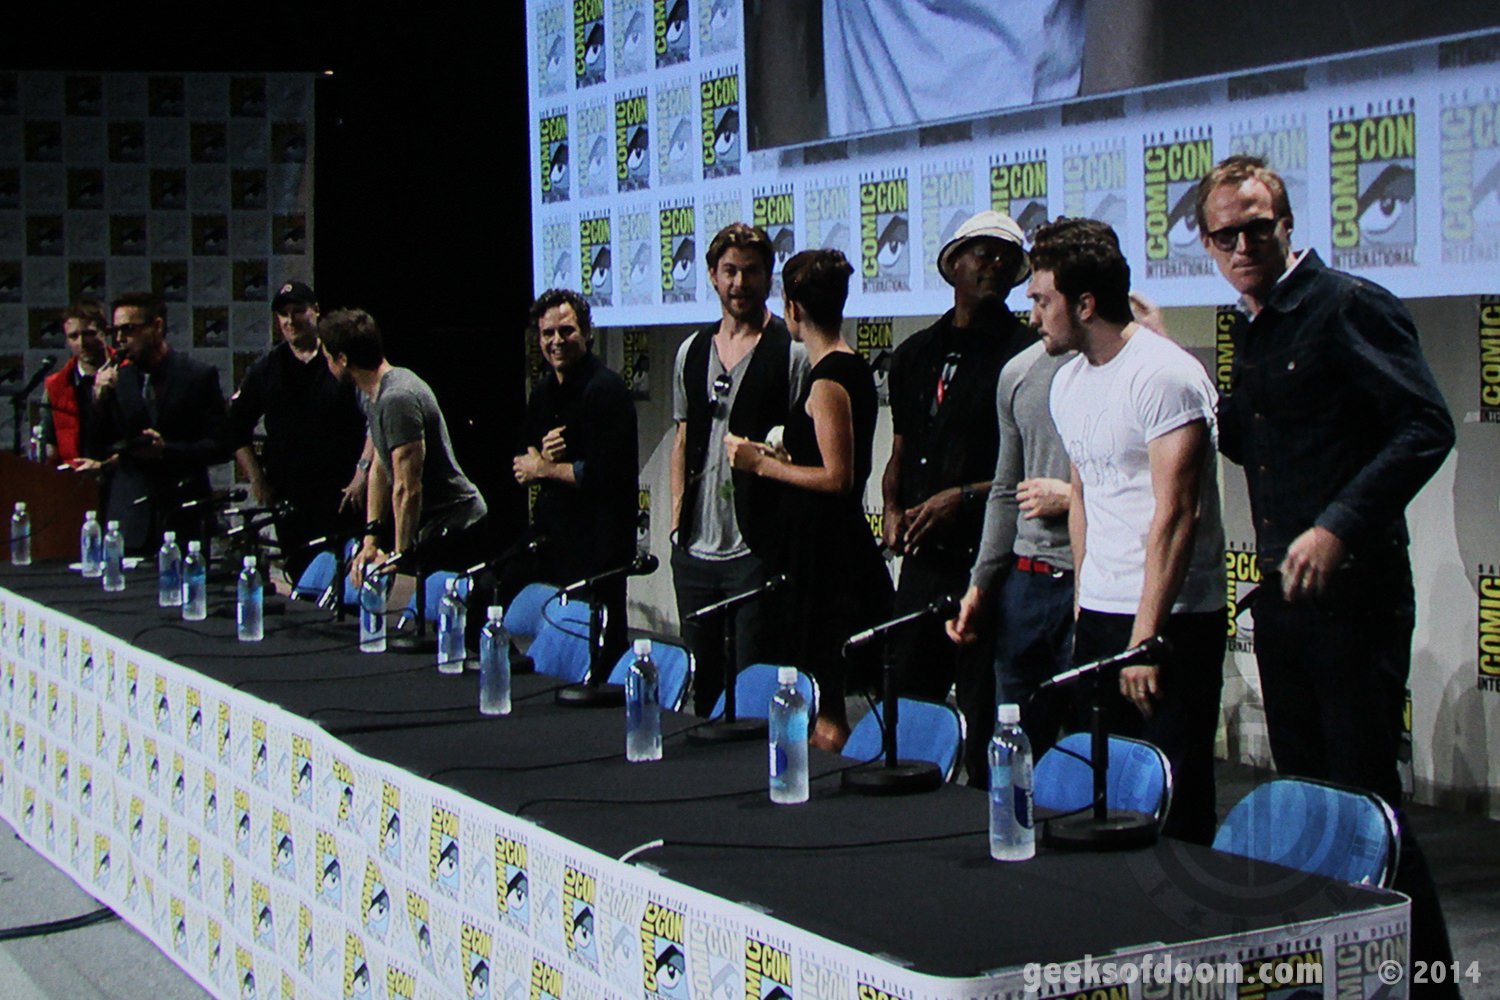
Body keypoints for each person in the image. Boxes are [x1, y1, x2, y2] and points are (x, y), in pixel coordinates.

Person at [1200, 155, 1457, 992]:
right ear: (1207, 245)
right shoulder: (1251, 326)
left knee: (1365, 805)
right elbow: (1257, 442)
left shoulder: (1348, 305)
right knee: (1310, 808)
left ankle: (1429, 983)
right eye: (1225, 236)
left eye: (1256, 228)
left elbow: (1425, 426)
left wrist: (1337, 527)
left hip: (1357, 600)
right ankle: (1339, 978)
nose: (1243, 246)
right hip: (1284, 600)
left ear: (1286, 226)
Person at [1036, 217, 1226, 845]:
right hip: (1100, 615)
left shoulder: (1165, 375)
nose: (1033, 316)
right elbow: (1084, 496)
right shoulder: (1067, 383)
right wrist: (1084, 602)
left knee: (1175, 799)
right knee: (1102, 796)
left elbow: (1178, 514)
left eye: (1043, 300)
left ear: (1085, 304)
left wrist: (1144, 639)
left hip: (1170, 622)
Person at [948, 291, 1169, 760]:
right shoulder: (1020, 373)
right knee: (1017, 745)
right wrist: (980, 584)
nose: (1033, 316)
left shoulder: (1138, 372)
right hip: (1025, 587)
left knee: (1099, 749)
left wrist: (1069, 498)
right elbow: (1006, 489)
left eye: (1044, 300)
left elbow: (1162, 494)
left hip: (1098, 587)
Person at [881, 210, 1034, 786]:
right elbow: (900, 449)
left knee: (987, 716)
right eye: (983, 254)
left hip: (990, 563)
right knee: (905, 709)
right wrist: (891, 508)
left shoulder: (1027, 357)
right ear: (953, 264)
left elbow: (1030, 470)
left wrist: (962, 499)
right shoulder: (915, 353)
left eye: (1007, 258)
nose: (995, 266)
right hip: (923, 562)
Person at [725, 249, 892, 749]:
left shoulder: (828, 381)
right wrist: (779, 456)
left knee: (826, 700)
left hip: (827, 561)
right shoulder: (840, 370)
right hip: (819, 552)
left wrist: (761, 465)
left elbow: (838, 479)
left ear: (793, 308)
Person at [671, 222, 809, 715]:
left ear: (768, 278)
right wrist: (676, 525)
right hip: (694, 552)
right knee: (701, 691)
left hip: (755, 552)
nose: (739, 283)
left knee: (754, 691)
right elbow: (683, 438)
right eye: (729, 271)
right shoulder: (691, 351)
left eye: (751, 272)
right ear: (712, 275)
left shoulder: (792, 354)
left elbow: (805, 454)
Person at [512, 289, 639, 666]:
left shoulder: (606, 389)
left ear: (586, 333)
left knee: (599, 652)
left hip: (598, 548)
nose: (556, 341)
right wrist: (539, 459)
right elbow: (524, 458)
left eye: (566, 331)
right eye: (547, 333)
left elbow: (604, 474)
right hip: (554, 542)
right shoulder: (543, 391)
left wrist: (545, 468)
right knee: (557, 647)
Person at [319, 308, 488, 589]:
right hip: (432, 526)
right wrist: (371, 539)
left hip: (458, 525)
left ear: (343, 359)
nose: (326, 364)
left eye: (327, 357)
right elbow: (380, 467)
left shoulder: (397, 398)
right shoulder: (371, 393)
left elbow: (408, 487)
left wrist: (401, 556)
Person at [222, 281, 368, 581]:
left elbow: (374, 420)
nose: (290, 321)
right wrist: (257, 479)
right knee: (302, 576)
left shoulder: (340, 360)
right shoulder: (266, 369)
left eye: (298, 311)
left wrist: (363, 472)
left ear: (316, 311)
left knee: (346, 576)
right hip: (291, 496)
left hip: (343, 494)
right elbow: (236, 428)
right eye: (283, 314)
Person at [93, 292, 227, 553]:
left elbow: (220, 446)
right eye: (115, 331)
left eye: (128, 329)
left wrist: (167, 450)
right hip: (129, 519)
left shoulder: (197, 376)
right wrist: (98, 400)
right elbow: (97, 447)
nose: (119, 339)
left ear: (156, 326)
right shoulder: (117, 380)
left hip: (183, 516)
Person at [43, 299, 113, 469]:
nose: (81, 343)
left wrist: (104, 466)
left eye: (88, 334)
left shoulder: (129, 372)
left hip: (123, 476)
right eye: (73, 336)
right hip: (74, 479)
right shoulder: (55, 386)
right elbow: (51, 448)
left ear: (105, 332)